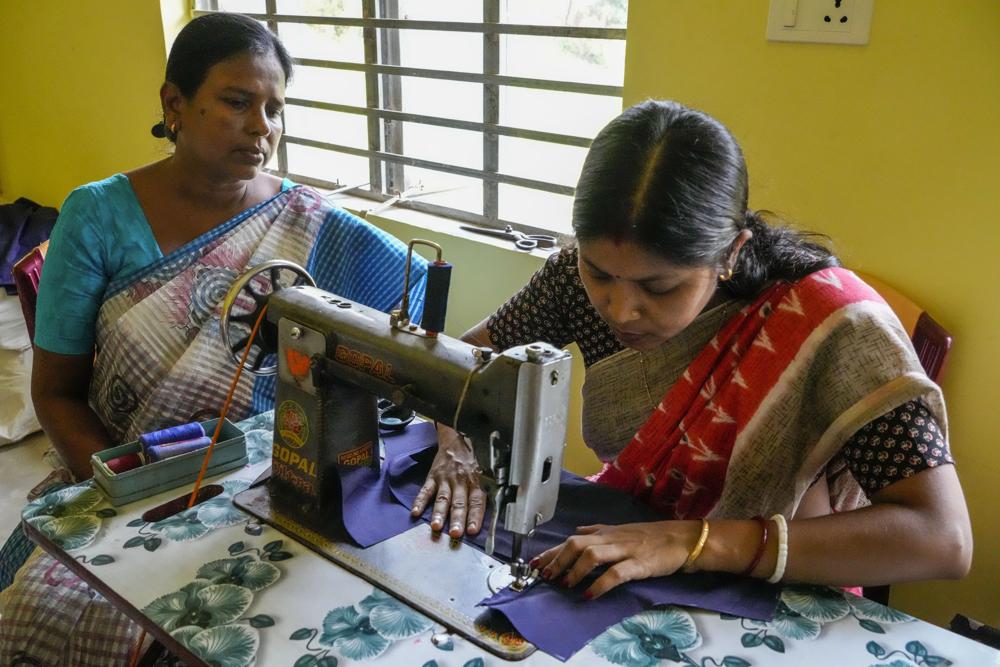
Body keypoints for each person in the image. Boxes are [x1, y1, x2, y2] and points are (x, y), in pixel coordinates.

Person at [413, 100, 972, 601]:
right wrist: (454, 441)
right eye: (598, 272)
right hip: (631, 553)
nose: (620, 308)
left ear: (731, 252)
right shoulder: (570, 284)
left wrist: (692, 541)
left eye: (659, 287)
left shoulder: (831, 325)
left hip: (773, 594)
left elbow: (941, 538)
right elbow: (465, 365)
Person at [0, 13, 425, 665]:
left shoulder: (307, 223)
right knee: (51, 614)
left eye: (276, 109)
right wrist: (136, 494)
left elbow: (411, 300)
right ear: (175, 103)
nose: (263, 127)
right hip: (121, 479)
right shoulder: (98, 214)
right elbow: (56, 395)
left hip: (263, 483)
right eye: (237, 101)